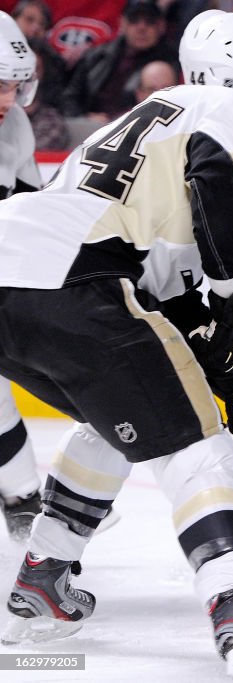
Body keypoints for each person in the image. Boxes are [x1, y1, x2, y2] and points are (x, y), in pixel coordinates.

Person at [0, 10, 233, 677]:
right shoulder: (227, 110)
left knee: (118, 416)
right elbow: (220, 191)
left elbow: (164, 303)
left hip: (24, 268)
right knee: (195, 437)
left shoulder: (144, 126)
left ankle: (41, 579)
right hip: (69, 277)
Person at [0, 10, 43, 541]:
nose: (7, 99)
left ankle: (22, 496)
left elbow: (31, 209)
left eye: (12, 86)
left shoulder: (14, 126)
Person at [59, 0, 178, 123]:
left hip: (137, 127)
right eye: (134, 20)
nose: (142, 28)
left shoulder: (170, 63)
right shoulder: (97, 55)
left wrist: (115, 123)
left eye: (150, 21)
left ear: (161, 26)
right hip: (90, 128)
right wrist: (84, 117)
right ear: (122, 23)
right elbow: (70, 98)